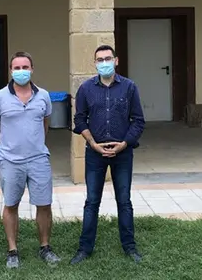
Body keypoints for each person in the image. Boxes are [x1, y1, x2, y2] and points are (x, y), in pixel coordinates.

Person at [70, 45, 146, 265]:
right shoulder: (85, 89)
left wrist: (124, 144)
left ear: (116, 60)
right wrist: (93, 143)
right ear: (94, 63)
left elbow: (138, 121)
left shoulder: (130, 88)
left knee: (124, 201)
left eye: (107, 58)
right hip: (95, 153)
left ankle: (130, 247)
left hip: (123, 153)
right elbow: (79, 119)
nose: (104, 62)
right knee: (92, 201)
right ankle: (84, 249)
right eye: (99, 59)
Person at [0, 51, 61, 269]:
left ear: (32, 69)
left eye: (25, 67)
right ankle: (12, 251)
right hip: (10, 161)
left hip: (38, 159)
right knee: (11, 205)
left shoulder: (44, 96)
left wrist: (35, 144)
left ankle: (45, 247)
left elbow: (45, 123)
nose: (21, 71)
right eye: (17, 68)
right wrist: (3, 148)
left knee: (44, 204)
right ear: (11, 71)